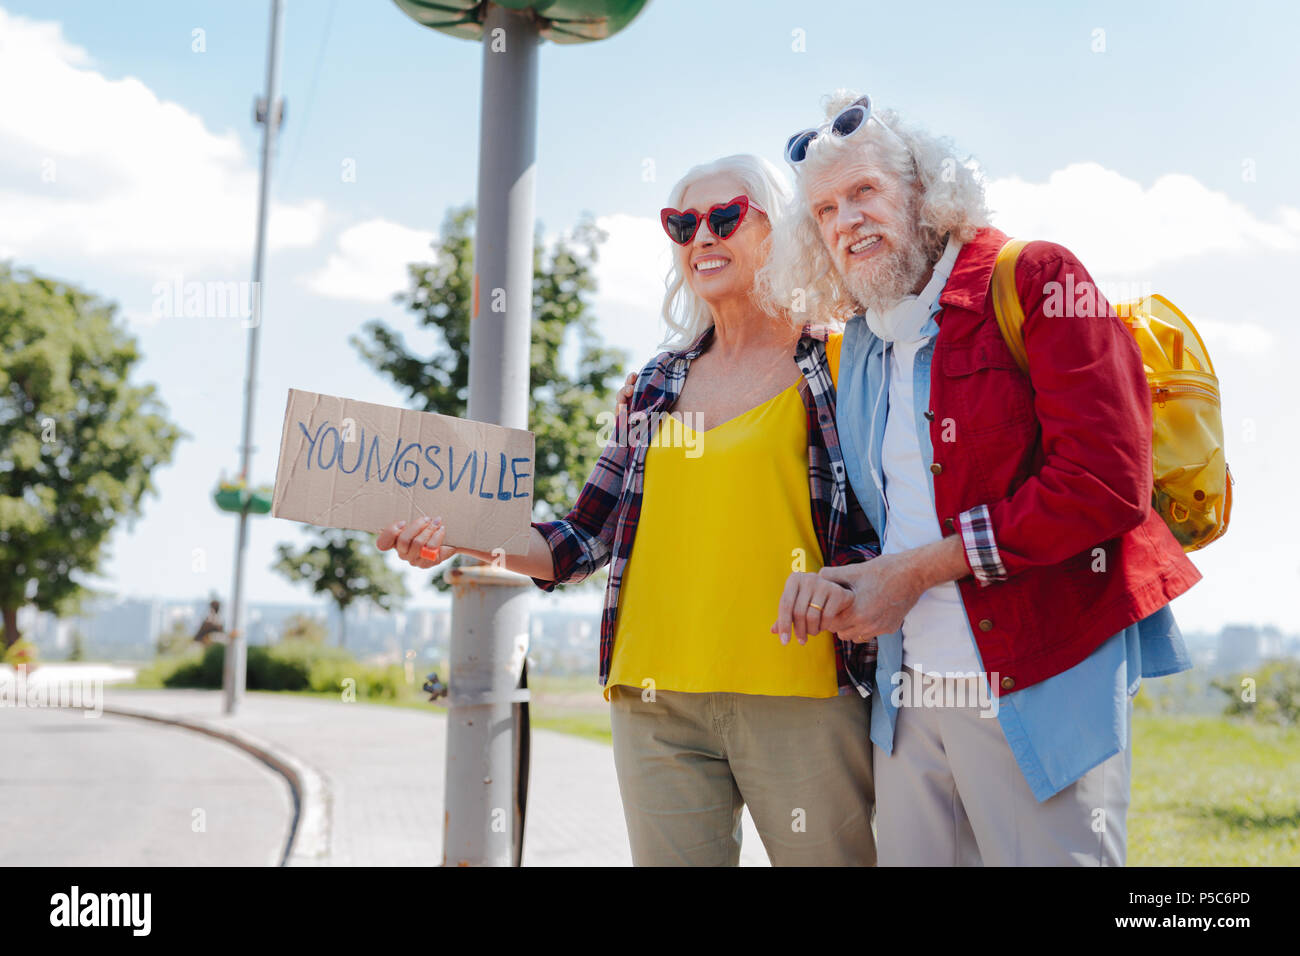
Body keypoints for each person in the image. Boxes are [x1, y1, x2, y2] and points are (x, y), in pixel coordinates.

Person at [379, 154, 880, 866]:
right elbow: (580, 537)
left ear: (780, 228)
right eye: (682, 225)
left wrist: (843, 584)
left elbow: (879, 527)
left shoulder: (836, 363)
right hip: (655, 700)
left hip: (798, 691)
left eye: (725, 217)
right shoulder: (655, 384)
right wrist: (457, 532)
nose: (701, 237)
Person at [763, 91, 1201, 866]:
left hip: (1040, 682)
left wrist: (916, 572)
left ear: (924, 193)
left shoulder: (1036, 276)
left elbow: (1104, 483)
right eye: (826, 209)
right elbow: (895, 519)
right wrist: (850, 582)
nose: (847, 221)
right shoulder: (861, 338)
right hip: (910, 698)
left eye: (865, 190)